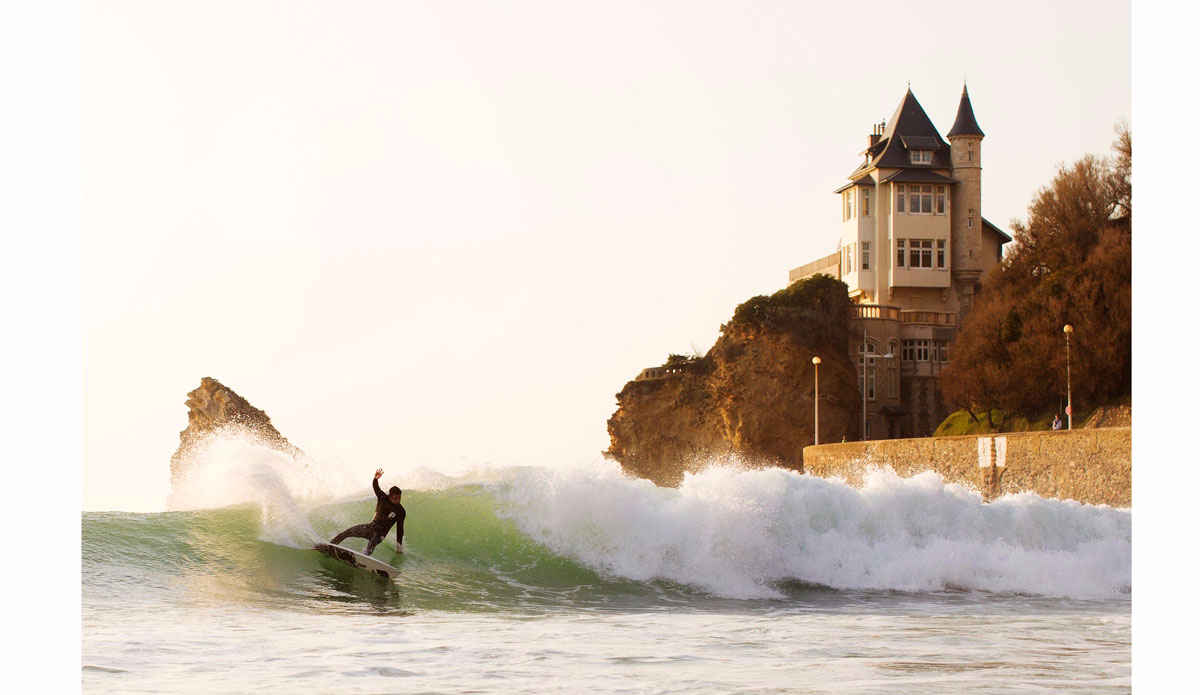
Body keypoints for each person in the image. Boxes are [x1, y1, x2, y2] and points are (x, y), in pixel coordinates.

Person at [330, 468, 406, 556]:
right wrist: (375, 479)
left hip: (380, 534)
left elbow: (400, 530)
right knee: (347, 532)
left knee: (370, 547)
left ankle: (363, 557)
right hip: (371, 527)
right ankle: (330, 546)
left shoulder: (400, 511)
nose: (398, 500)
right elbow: (376, 487)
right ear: (390, 496)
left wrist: (399, 548)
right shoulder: (383, 498)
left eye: (399, 498)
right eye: (395, 498)